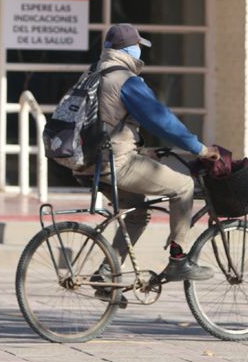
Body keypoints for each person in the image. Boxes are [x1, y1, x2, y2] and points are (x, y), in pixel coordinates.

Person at [78, 23, 221, 289]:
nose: (140, 53)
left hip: (86, 164)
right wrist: (199, 149)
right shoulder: (125, 80)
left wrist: (142, 150)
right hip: (115, 164)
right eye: (138, 48)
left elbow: (106, 125)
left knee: (138, 213)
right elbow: (161, 120)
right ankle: (179, 259)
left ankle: (107, 274)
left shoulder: (93, 74)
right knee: (183, 186)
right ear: (128, 50)